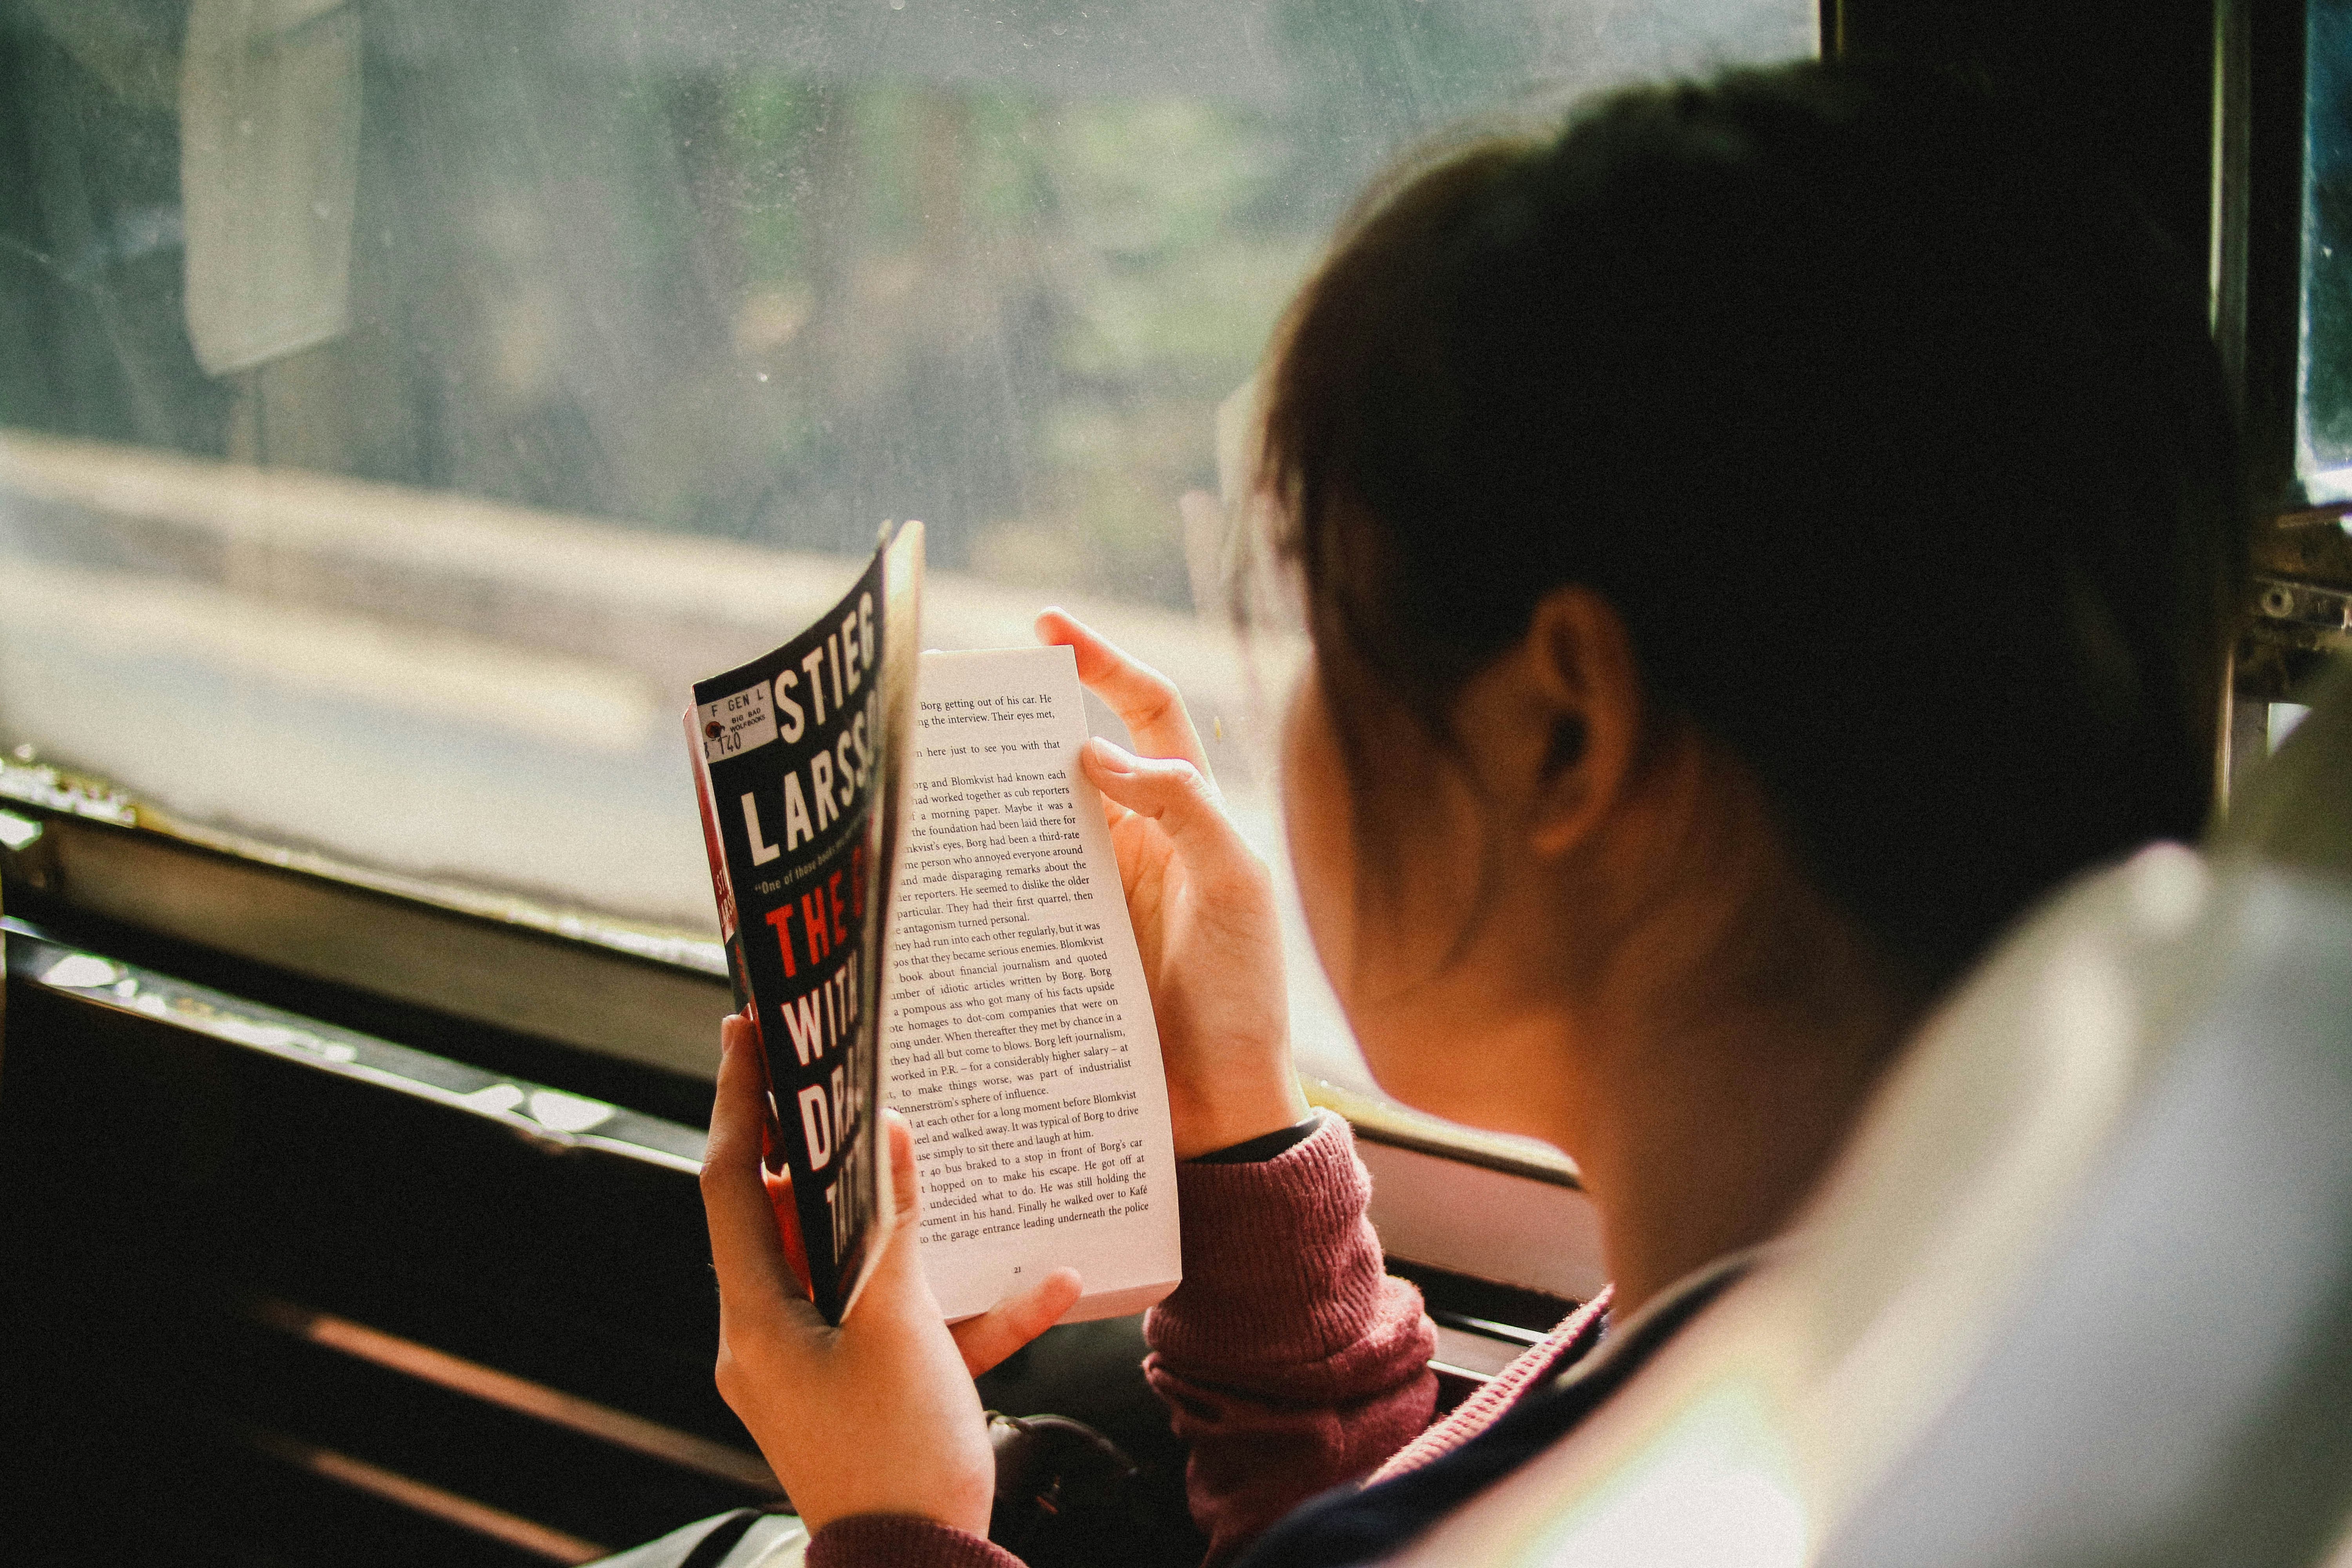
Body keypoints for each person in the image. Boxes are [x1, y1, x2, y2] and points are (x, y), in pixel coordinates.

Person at [691, 56, 2237, 1568]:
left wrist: (893, 1522)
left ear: (1567, 730)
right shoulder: (1929, 1296)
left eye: (1324, 637)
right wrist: (1237, 1112)